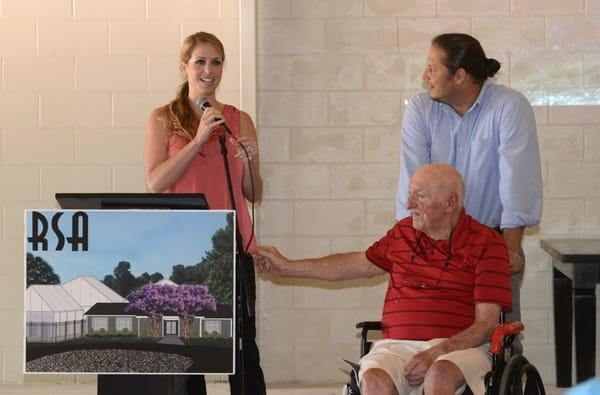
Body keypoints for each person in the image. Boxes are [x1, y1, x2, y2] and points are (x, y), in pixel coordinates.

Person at [255, 164, 512, 395]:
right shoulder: (403, 234)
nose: (408, 203)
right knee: (375, 379)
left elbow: (486, 324)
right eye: (409, 193)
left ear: (450, 203)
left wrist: (436, 353)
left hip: (458, 351)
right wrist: (287, 267)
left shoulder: (487, 243)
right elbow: (356, 264)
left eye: (419, 196)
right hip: (397, 347)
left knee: (439, 374)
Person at [144, 31, 266, 395]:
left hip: (231, 249)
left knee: (242, 350)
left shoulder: (238, 119)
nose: (208, 70)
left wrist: (252, 162)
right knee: (187, 352)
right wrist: (197, 141)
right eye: (200, 61)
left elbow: (254, 194)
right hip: (181, 251)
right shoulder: (163, 119)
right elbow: (155, 181)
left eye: (216, 62)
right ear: (184, 68)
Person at [395, 33, 542, 323]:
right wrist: (409, 247)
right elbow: (413, 182)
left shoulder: (509, 106)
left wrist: (509, 249)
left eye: (432, 68)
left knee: (499, 340)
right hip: (432, 243)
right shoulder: (420, 110)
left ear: (459, 75)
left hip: (492, 242)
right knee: (431, 333)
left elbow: (518, 179)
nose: (425, 76)